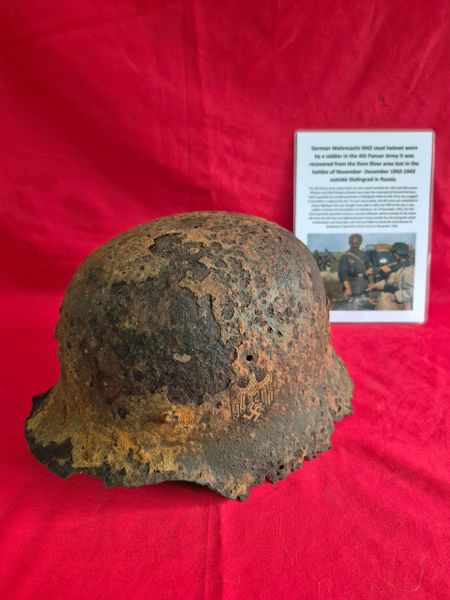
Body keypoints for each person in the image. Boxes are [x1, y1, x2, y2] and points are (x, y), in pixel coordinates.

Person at [368, 242, 414, 310]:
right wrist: (376, 285)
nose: (393, 255)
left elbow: (411, 292)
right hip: (387, 305)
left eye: (394, 252)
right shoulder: (397, 267)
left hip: (396, 306)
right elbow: (390, 281)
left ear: (400, 253)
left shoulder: (408, 270)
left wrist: (393, 297)